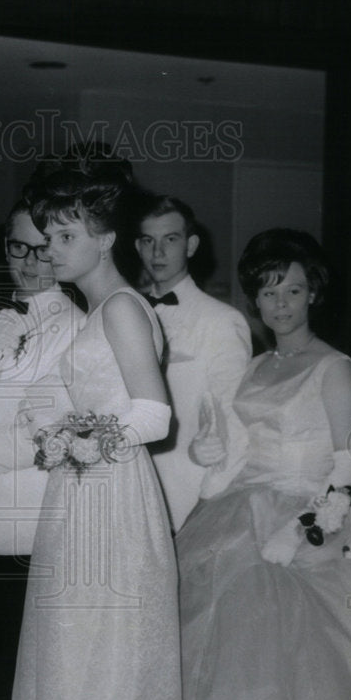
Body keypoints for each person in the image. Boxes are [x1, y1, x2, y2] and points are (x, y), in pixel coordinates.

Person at [0, 157, 181, 700]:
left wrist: (81, 435)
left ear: (106, 238)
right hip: (82, 495)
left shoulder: (124, 308)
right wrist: (60, 431)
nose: (51, 247)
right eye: (48, 232)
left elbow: (154, 413)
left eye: (66, 232)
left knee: (100, 666)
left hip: (111, 499)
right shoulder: (96, 311)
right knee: (71, 661)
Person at [177, 228, 351, 700]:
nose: (280, 303)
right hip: (240, 507)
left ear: (313, 293)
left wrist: (305, 530)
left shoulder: (333, 366)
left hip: (311, 514)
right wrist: (205, 455)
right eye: (268, 292)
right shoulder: (257, 366)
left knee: (284, 639)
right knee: (214, 639)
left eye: (293, 289)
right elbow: (238, 450)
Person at [0, 199, 84, 700]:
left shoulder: (76, 328)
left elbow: (43, 435)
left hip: (31, 529)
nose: (32, 262)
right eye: (19, 247)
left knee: (20, 680)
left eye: (44, 248)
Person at [134, 195, 251, 532]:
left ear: (191, 245)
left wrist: (208, 503)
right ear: (137, 247)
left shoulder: (221, 321)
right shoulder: (127, 314)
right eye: (148, 240)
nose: (158, 253)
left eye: (170, 239)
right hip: (131, 491)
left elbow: (234, 421)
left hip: (187, 497)